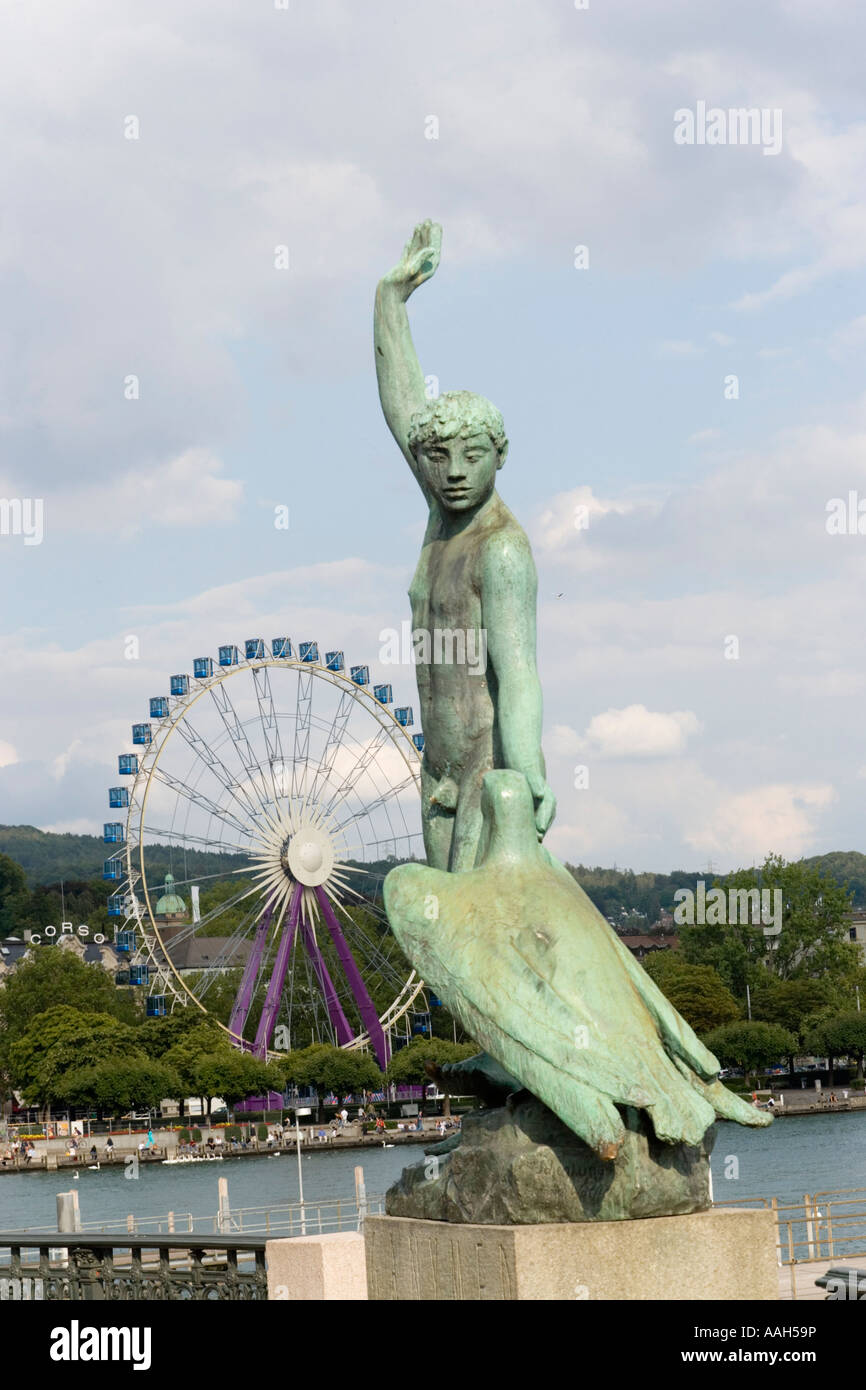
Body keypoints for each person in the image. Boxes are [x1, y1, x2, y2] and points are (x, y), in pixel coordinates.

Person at [374, 221, 555, 873]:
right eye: (440, 457)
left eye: (471, 456)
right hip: (439, 769)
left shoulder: (501, 549)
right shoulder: (442, 518)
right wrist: (390, 302)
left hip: (486, 771)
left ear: (498, 458)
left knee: (470, 933)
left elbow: (517, 671)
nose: (453, 472)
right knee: (438, 951)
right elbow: (403, 409)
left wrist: (527, 772)